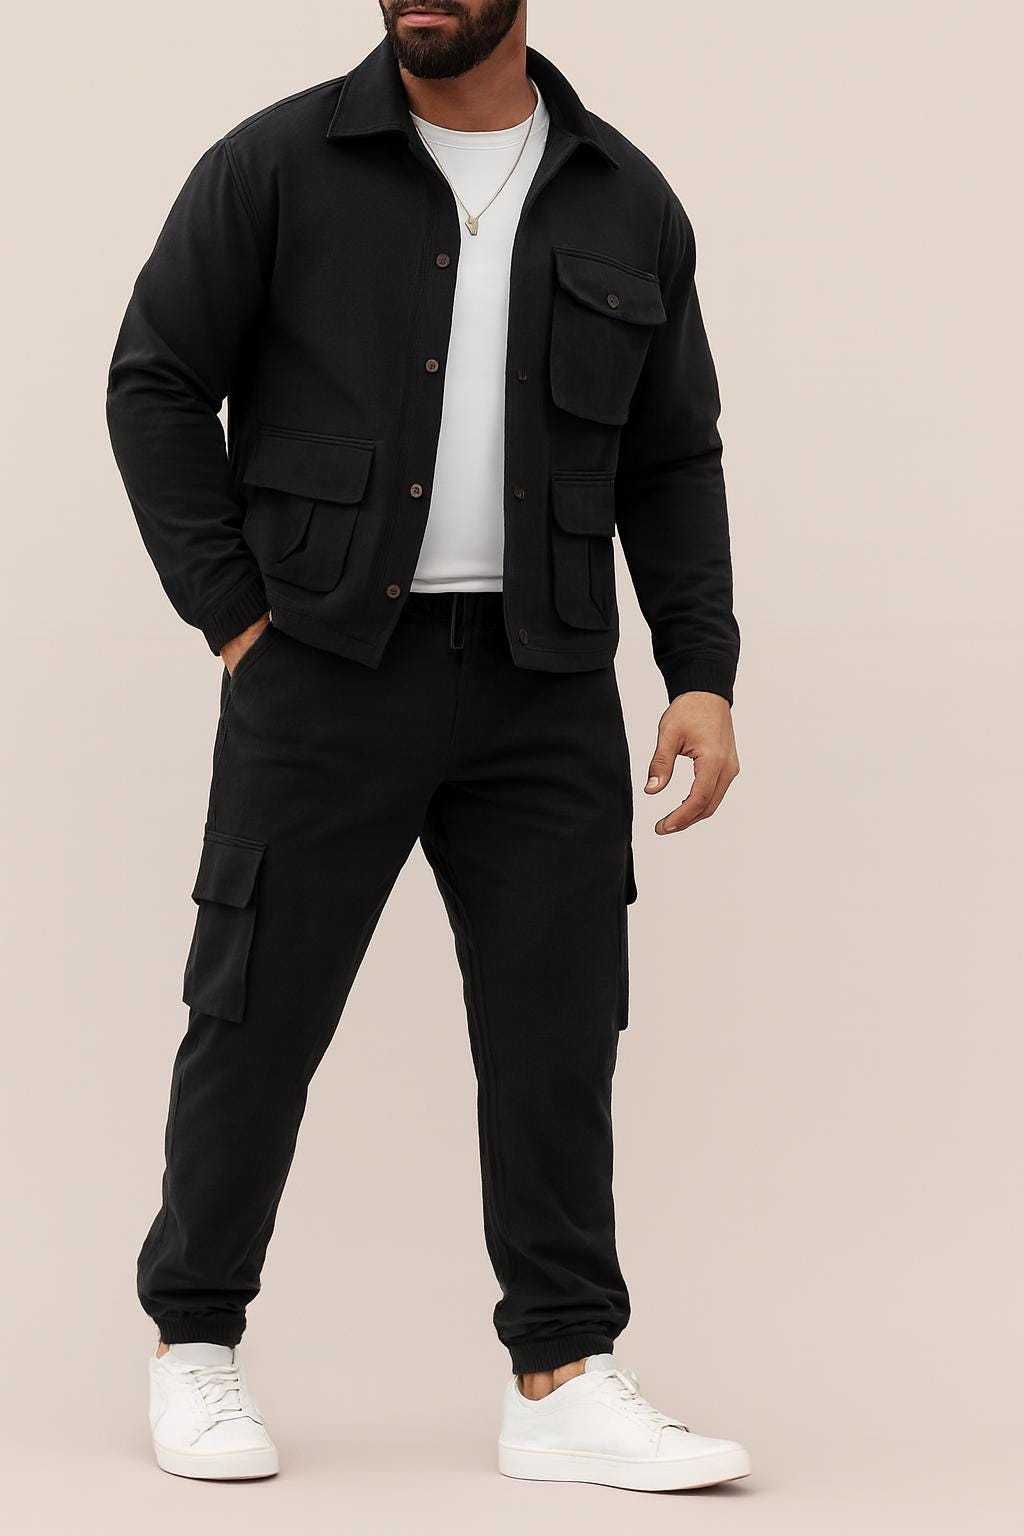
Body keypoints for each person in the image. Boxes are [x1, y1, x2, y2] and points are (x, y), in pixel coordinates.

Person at [106, 0, 747, 1492]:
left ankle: (562, 1374)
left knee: (557, 1029)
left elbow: (673, 455)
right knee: (255, 1013)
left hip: (544, 682)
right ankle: (194, 1343)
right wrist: (235, 618)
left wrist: (700, 671)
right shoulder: (277, 165)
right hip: (323, 668)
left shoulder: (625, 198)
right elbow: (154, 378)